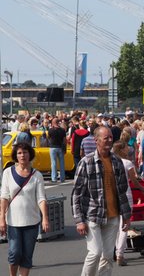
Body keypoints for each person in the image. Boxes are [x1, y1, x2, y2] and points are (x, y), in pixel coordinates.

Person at [72, 126, 132, 276]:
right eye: (106, 138)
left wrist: (126, 215)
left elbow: (122, 191)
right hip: (93, 215)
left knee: (107, 256)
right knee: (95, 252)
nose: (110, 140)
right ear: (96, 140)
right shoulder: (86, 162)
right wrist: (79, 220)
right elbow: (76, 193)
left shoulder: (117, 161)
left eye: (111, 137)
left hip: (112, 216)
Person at [0, 143, 49, 276]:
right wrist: (2, 220)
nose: (23, 155)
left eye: (25, 152)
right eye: (20, 153)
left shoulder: (36, 175)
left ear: (30, 154)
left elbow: (41, 198)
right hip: (13, 221)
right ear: (15, 156)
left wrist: (45, 218)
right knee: (14, 253)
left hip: (32, 221)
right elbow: (4, 196)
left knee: (27, 257)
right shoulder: (7, 173)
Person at [111, 141, 144, 267]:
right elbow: (134, 180)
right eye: (126, 147)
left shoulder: (111, 162)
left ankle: (116, 251)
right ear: (122, 149)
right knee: (125, 225)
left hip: (113, 195)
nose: (128, 149)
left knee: (115, 225)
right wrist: (142, 188)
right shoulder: (127, 163)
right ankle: (120, 253)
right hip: (126, 195)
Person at [48, 118, 67, 183]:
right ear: (58, 122)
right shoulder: (62, 130)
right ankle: (62, 178)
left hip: (53, 147)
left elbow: (49, 138)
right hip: (60, 147)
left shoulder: (50, 130)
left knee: (53, 163)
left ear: (53, 123)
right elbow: (64, 140)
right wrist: (65, 148)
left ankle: (54, 178)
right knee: (62, 163)